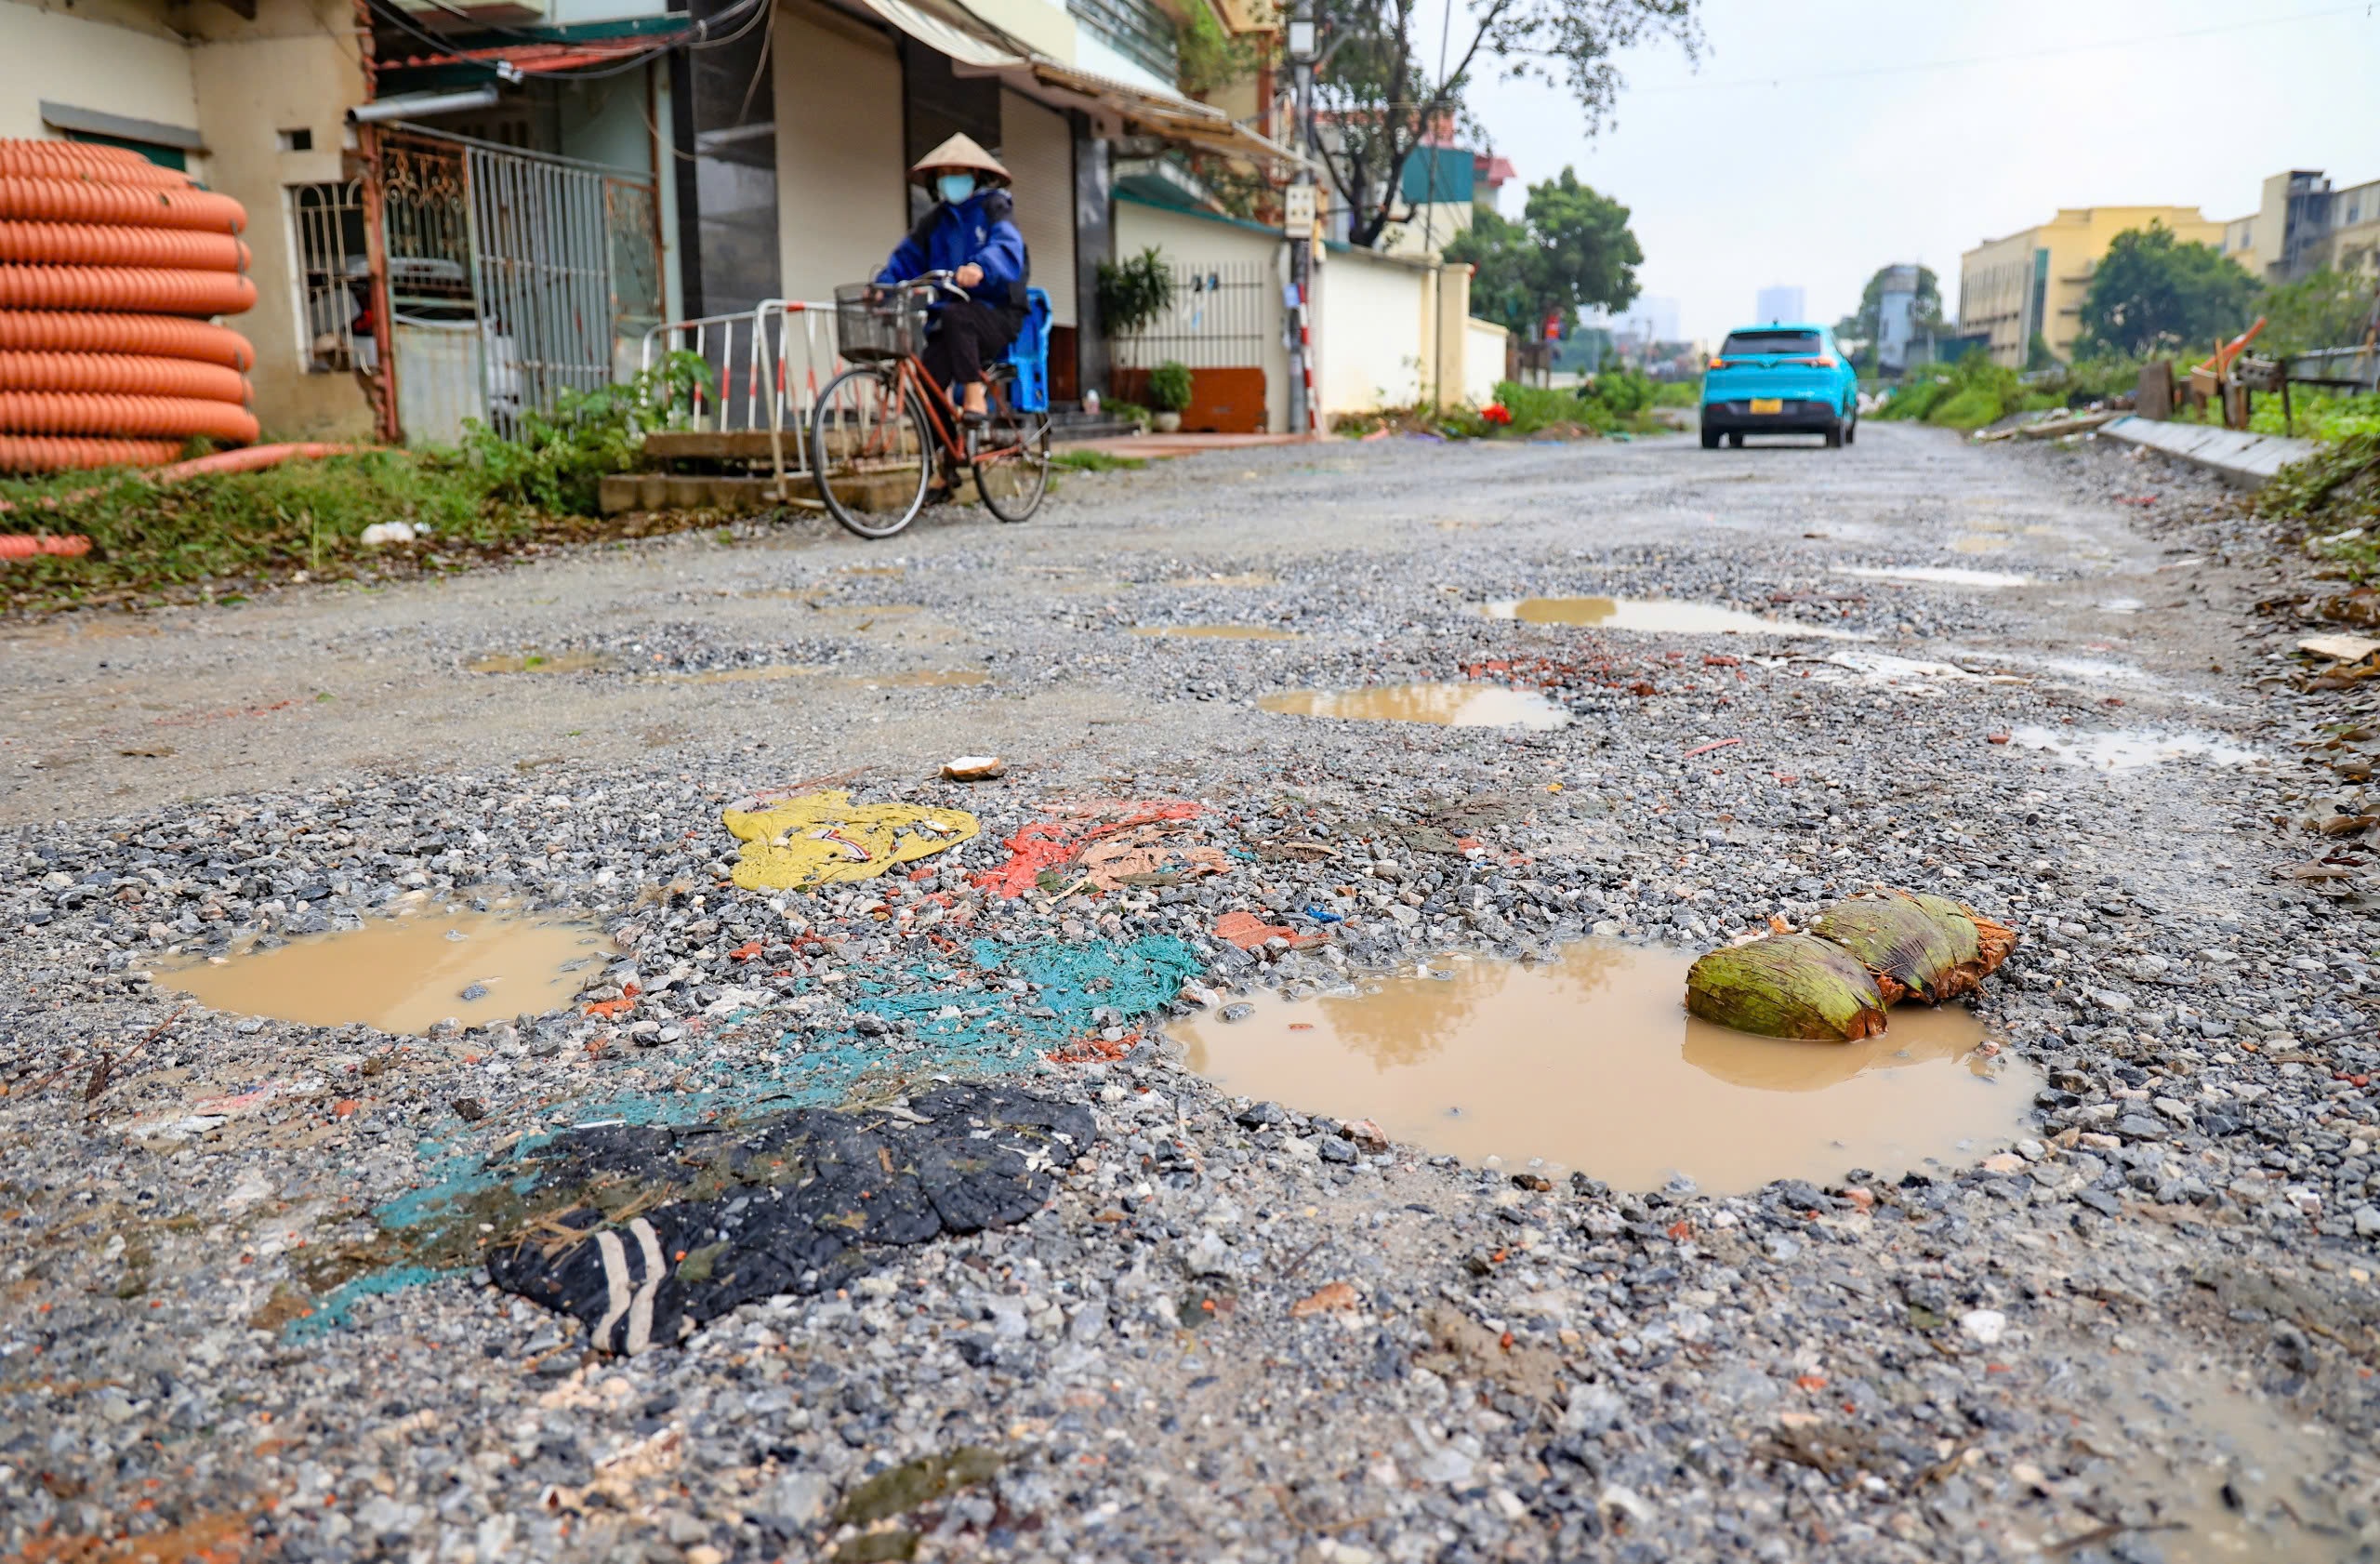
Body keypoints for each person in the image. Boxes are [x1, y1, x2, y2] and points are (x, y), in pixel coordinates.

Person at [876, 133, 1028, 426]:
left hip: (998, 314)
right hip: (949, 321)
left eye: (956, 173)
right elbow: (906, 260)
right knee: (927, 379)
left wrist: (981, 267)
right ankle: (944, 462)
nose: (949, 180)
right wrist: (884, 286)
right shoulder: (934, 222)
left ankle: (974, 395)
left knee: (959, 316)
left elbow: (1007, 246)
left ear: (974, 174)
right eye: (943, 174)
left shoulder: (994, 207)